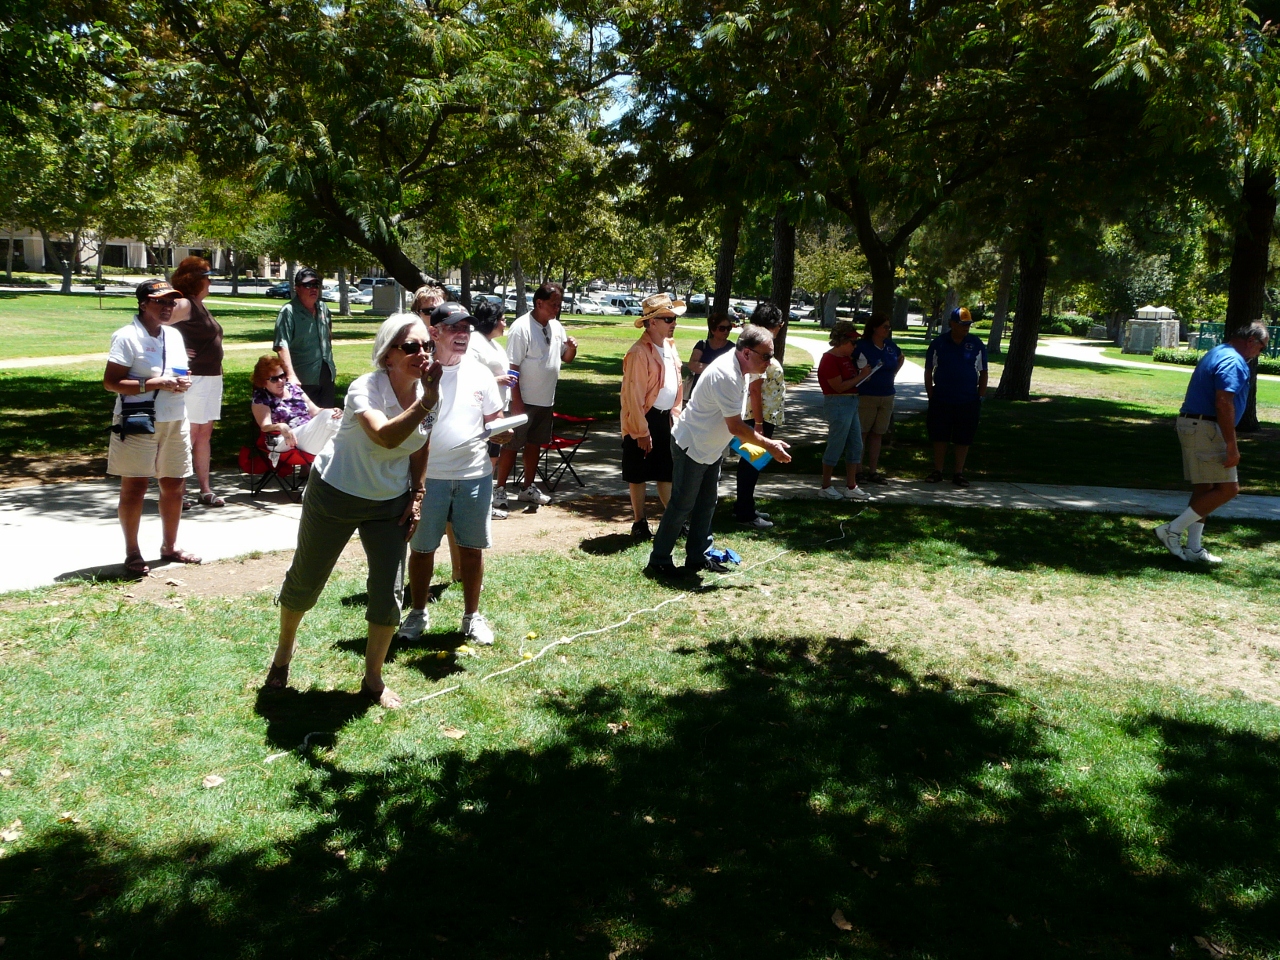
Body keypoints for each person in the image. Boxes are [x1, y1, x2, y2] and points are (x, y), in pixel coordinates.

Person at [266, 313, 440, 709]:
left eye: (427, 346)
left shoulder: (430, 393)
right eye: (411, 346)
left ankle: (373, 680)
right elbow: (385, 436)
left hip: (390, 502)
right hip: (336, 493)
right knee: (307, 579)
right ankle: (283, 655)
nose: (422, 354)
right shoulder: (365, 388)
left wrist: (417, 493)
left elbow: (421, 441)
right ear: (387, 355)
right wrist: (427, 400)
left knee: (388, 591)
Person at [399, 302, 510, 646]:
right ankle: (417, 613)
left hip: (474, 475)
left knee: (472, 549)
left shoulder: (479, 373)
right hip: (427, 478)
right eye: (455, 328)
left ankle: (472, 617)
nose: (463, 335)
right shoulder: (419, 373)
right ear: (434, 332)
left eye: (467, 329)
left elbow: (493, 420)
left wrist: (501, 431)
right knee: (422, 549)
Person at [645, 325, 792, 579]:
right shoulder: (727, 375)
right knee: (681, 504)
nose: (770, 361)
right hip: (692, 446)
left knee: (706, 503)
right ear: (746, 352)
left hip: (711, 448)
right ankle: (658, 561)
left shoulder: (743, 369)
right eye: (766, 356)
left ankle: (697, 557)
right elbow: (735, 426)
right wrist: (769, 445)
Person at [102, 280, 200, 575]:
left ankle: (169, 547)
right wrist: (154, 383)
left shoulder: (173, 336)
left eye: (171, 302)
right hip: (138, 420)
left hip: (174, 418)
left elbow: (179, 373)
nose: (167, 307)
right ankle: (132, 552)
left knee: (174, 485)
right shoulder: (126, 337)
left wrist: (183, 382)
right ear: (143, 303)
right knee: (135, 486)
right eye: (161, 302)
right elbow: (111, 382)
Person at [1155, 320, 1270, 563]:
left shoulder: (1218, 352)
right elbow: (1223, 402)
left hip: (1195, 424)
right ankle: (1171, 530)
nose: (1260, 353)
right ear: (1251, 341)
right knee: (1228, 489)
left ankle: (1194, 549)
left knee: (1205, 488)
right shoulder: (1233, 361)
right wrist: (1231, 444)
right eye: (1262, 348)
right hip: (1206, 428)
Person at [494, 281, 577, 508]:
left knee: (534, 445)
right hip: (524, 400)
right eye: (553, 304)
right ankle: (499, 489)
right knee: (511, 445)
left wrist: (572, 348)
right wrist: (517, 401)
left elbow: (565, 358)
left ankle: (527, 488)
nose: (556, 309)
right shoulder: (521, 328)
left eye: (559, 304)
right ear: (539, 303)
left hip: (545, 400)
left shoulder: (556, 327)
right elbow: (512, 368)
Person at [621, 293, 685, 539]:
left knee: (665, 471)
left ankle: (673, 521)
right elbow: (632, 396)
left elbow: (676, 386)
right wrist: (640, 431)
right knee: (638, 473)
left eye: (673, 318)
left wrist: (675, 418)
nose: (673, 323)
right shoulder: (639, 352)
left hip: (666, 418)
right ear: (652, 322)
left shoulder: (670, 346)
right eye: (668, 318)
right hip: (643, 418)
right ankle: (639, 522)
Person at [167, 256, 226, 507]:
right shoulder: (184, 304)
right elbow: (156, 323)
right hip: (196, 378)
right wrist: (175, 351)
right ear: (196, 280)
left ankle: (205, 489)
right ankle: (176, 491)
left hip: (212, 377)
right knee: (188, 434)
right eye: (207, 277)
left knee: (204, 434)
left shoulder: (200, 306)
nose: (210, 281)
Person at [734, 302, 787, 528]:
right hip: (758, 417)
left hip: (765, 416)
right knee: (750, 464)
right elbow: (755, 389)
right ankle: (745, 514)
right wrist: (758, 423)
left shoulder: (760, 345)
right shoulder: (757, 350)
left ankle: (746, 507)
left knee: (753, 465)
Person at [924, 307, 988, 488]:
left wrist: (980, 396)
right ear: (952, 324)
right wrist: (931, 394)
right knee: (939, 436)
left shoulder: (976, 344)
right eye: (962, 324)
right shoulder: (939, 343)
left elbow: (983, 371)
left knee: (963, 438)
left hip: (968, 400)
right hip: (942, 398)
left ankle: (958, 473)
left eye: (968, 324)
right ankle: (938, 470)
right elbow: (929, 370)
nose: (966, 327)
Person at [468, 299, 519, 519]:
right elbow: (468, 374)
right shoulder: (473, 342)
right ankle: (478, 505)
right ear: (492, 321)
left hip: (499, 409)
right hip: (480, 412)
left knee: (492, 458)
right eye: (502, 319)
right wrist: (497, 379)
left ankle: (486, 504)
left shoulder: (494, 344)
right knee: (482, 458)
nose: (505, 323)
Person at [818, 320, 878, 501]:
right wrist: (860, 376)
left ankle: (851, 485)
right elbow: (838, 387)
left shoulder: (846, 359)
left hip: (851, 403)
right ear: (842, 341)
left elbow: (850, 382)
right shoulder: (829, 359)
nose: (855, 346)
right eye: (852, 342)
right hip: (837, 403)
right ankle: (826, 485)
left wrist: (862, 378)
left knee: (856, 444)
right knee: (836, 444)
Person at [250, 354, 343, 455]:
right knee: (332, 423)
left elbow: (315, 411)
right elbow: (265, 426)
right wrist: (280, 426)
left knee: (336, 417)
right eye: (274, 379)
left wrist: (333, 411)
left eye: (282, 376)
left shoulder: (293, 388)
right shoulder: (261, 397)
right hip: (281, 439)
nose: (281, 381)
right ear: (263, 382)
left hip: (306, 434)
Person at [853, 311, 905, 483]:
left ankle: (873, 471)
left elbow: (900, 357)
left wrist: (893, 374)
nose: (887, 330)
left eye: (889, 328)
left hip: (887, 395)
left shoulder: (890, 346)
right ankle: (858, 470)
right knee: (863, 433)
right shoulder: (862, 346)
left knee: (878, 434)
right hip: (867, 396)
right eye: (884, 327)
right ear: (874, 327)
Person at [273, 267, 336, 407]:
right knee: (305, 422)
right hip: (303, 377)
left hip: (326, 374)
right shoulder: (288, 312)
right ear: (297, 288)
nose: (313, 289)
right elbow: (281, 346)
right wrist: (290, 375)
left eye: (316, 285)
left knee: (328, 419)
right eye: (308, 285)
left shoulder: (323, 308)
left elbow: (328, 337)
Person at [687, 311, 736, 387]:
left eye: (728, 328)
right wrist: (719, 370)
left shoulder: (733, 348)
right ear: (712, 330)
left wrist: (704, 367)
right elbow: (692, 365)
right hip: (700, 389)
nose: (726, 331)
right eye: (722, 328)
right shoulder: (702, 345)